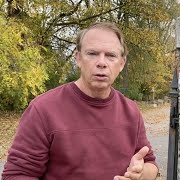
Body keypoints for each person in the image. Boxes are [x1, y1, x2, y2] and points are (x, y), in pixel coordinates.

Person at [2, 22, 158, 180]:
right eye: (92, 53)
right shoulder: (43, 109)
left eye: (111, 56)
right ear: (78, 58)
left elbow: (150, 164)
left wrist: (140, 173)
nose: (102, 63)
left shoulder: (131, 111)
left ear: (122, 63)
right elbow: (17, 175)